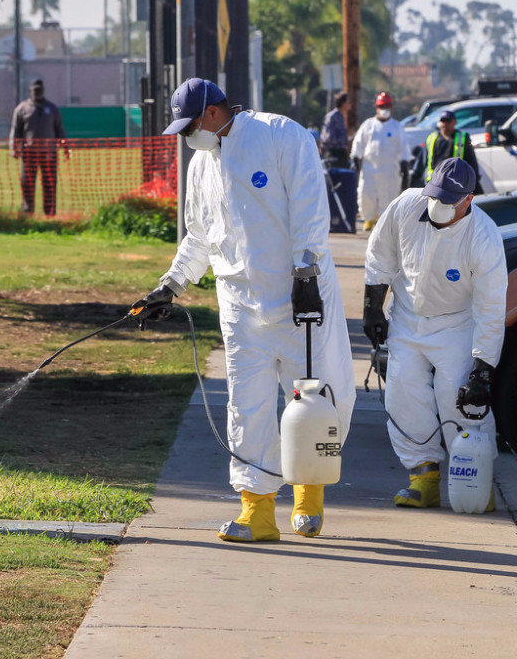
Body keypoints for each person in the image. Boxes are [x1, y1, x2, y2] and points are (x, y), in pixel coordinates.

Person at [132, 78, 356, 542]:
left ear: (212, 113)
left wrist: (306, 273)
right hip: (240, 306)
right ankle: (256, 509)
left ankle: (308, 493)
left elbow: (311, 210)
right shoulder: (200, 165)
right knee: (246, 406)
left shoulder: (280, 136)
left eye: (189, 126)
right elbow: (198, 236)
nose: (187, 137)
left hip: (299, 297)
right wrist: (169, 286)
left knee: (315, 398)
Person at [363, 157, 507, 509]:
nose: (439, 206)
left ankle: (476, 480)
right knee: (403, 393)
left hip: (456, 323)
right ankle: (423, 477)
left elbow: (490, 310)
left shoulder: (484, 238)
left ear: (468, 200)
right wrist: (372, 308)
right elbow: (380, 255)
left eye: (449, 200)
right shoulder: (406, 205)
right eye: (436, 196)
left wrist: (483, 370)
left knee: (457, 398)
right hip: (408, 317)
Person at [9, 78, 69, 216]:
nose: (37, 92)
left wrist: (65, 146)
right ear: (31, 91)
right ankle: (27, 211)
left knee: (49, 182)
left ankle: (50, 212)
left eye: (39, 90)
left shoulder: (52, 108)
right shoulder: (22, 108)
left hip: (49, 152)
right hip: (29, 153)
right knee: (27, 183)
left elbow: (59, 129)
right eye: (35, 90)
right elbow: (15, 130)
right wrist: (14, 148)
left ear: (43, 90)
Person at [351, 91, 409, 231]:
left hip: (390, 170)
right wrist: (355, 159)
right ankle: (368, 219)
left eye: (387, 106)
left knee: (388, 196)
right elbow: (358, 143)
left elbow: (404, 148)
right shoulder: (368, 125)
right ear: (376, 107)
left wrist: (405, 165)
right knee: (366, 195)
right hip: (369, 169)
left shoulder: (397, 127)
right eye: (382, 106)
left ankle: (385, 222)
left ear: (392, 107)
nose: (384, 109)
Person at [410, 109, 482, 194]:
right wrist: (413, 178)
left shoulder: (462, 139)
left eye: (448, 121)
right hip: (435, 183)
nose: (445, 124)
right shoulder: (432, 139)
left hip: (455, 183)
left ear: (454, 122)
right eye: (442, 121)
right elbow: (421, 162)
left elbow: (471, 162)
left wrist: (474, 179)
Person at [320, 92, 351, 168]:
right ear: (343, 103)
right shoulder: (332, 116)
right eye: (348, 102)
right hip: (333, 153)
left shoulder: (341, 116)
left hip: (341, 154)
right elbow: (328, 137)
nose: (350, 104)